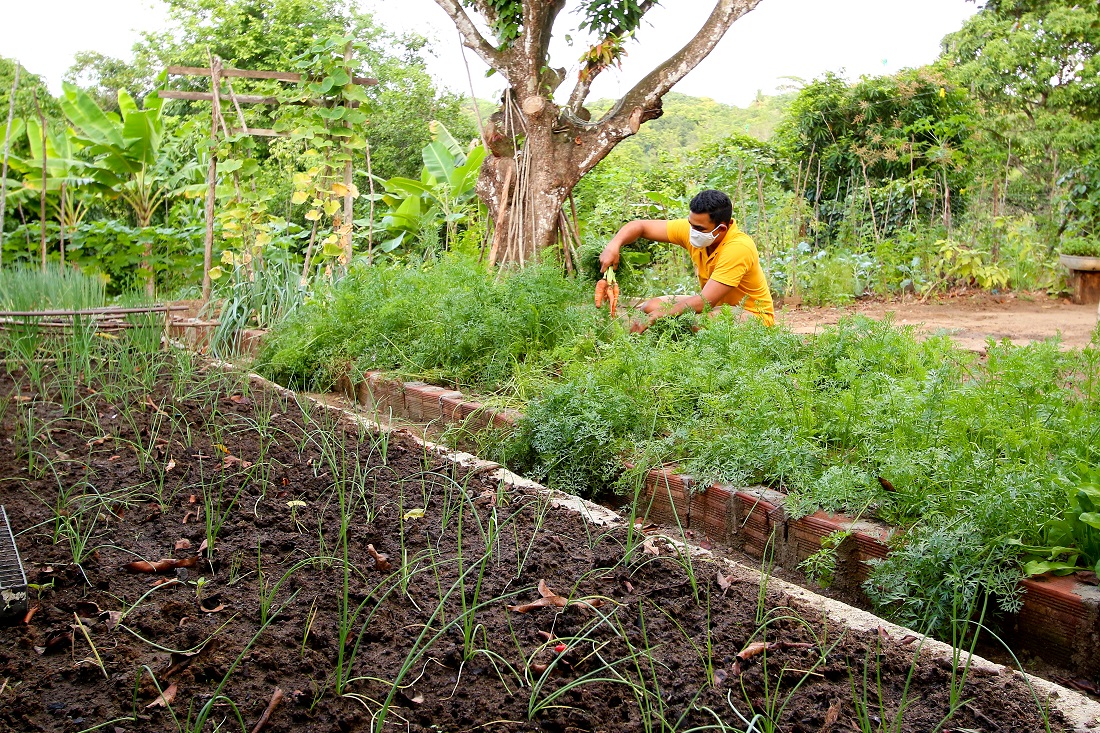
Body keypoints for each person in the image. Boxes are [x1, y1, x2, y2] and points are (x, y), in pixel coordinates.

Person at [598, 189, 775, 331]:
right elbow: (640, 226)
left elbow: (704, 301)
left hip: (753, 316)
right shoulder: (696, 230)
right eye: (690, 224)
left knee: (699, 321)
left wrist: (663, 314)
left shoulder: (738, 247)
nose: (692, 231)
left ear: (721, 228)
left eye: (698, 228)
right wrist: (614, 245)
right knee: (649, 308)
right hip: (716, 308)